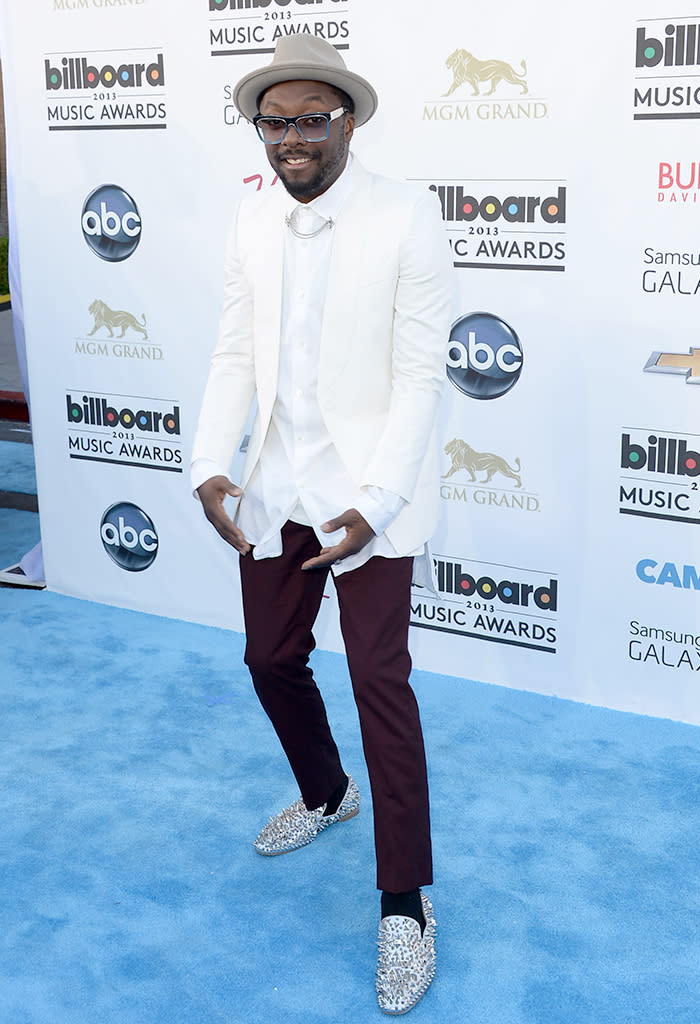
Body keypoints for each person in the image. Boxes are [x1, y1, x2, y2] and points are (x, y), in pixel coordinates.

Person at [191, 35, 453, 1015]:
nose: (290, 138)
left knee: (380, 679)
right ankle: (324, 789)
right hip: (281, 486)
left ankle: (403, 902)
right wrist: (209, 464)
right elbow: (230, 350)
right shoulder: (252, 217)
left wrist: (375, 505)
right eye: (274, 121)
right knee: (267, 657)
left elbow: (422, 378)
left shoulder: (406, 214)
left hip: (372, 496)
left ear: (347, 119)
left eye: (310, 118)